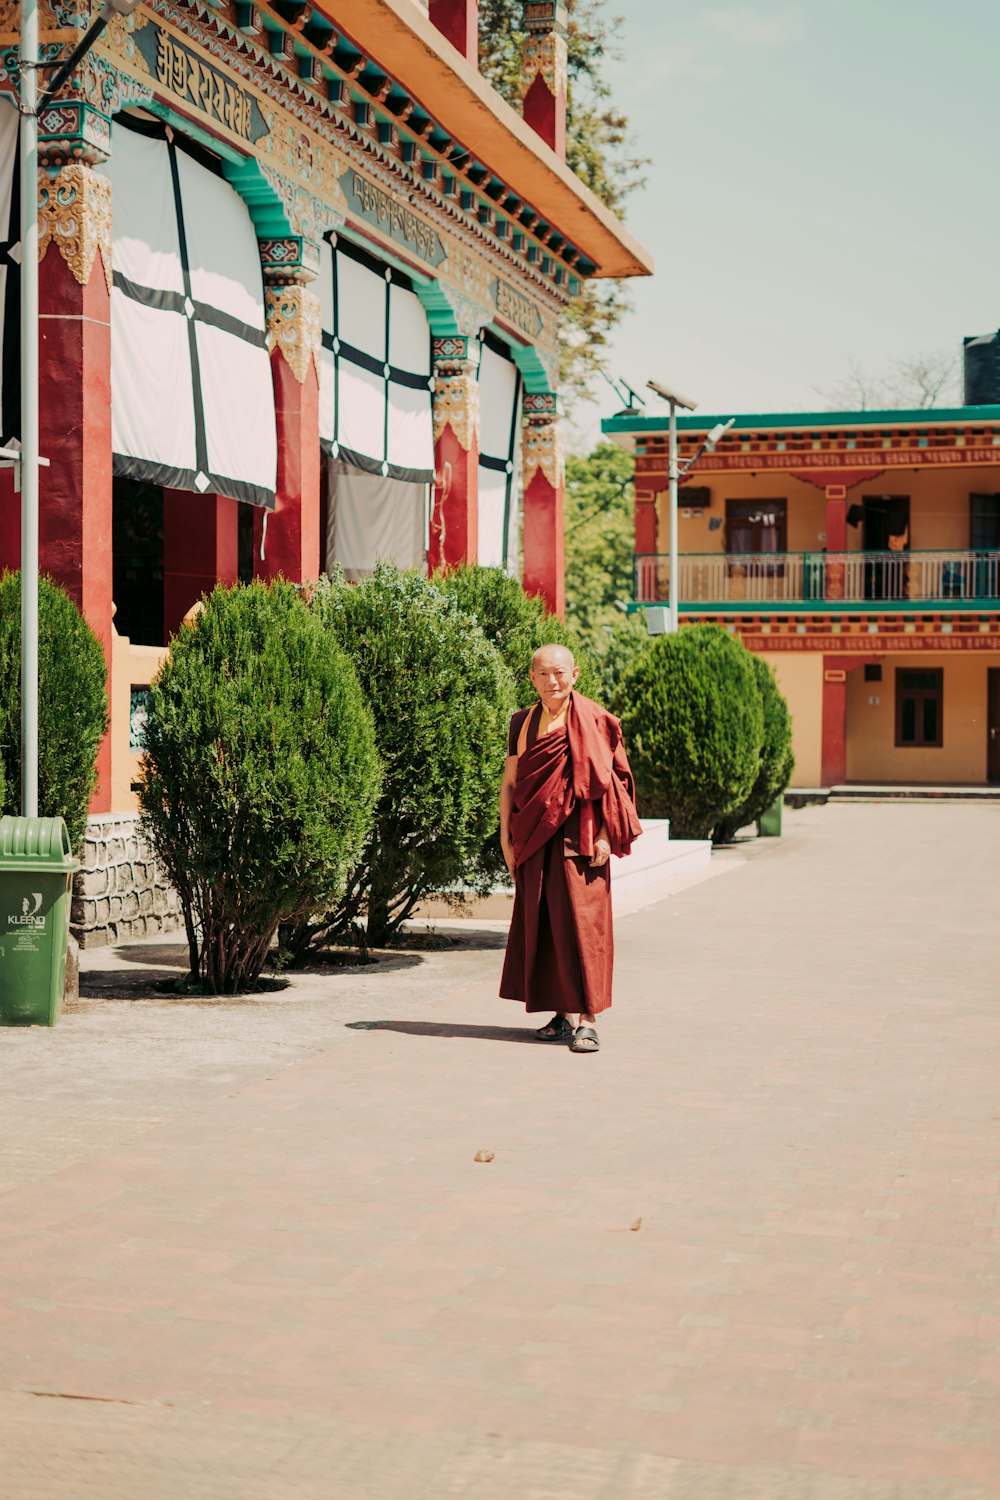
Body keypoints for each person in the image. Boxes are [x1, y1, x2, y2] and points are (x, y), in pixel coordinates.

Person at [498, 644, 641, 1053]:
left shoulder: (595, 720)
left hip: (581, 842)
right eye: (544, 674)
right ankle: (560, 1015)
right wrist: (504, 834)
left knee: (585, 928)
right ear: (531, 678)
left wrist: (605, 836)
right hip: (532, 838)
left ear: (575, 674)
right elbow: (510, 784)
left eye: (560, 673)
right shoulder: (522, 723)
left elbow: (615, 784)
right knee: (542, 926)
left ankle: (588, 1020)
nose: (553, 681)